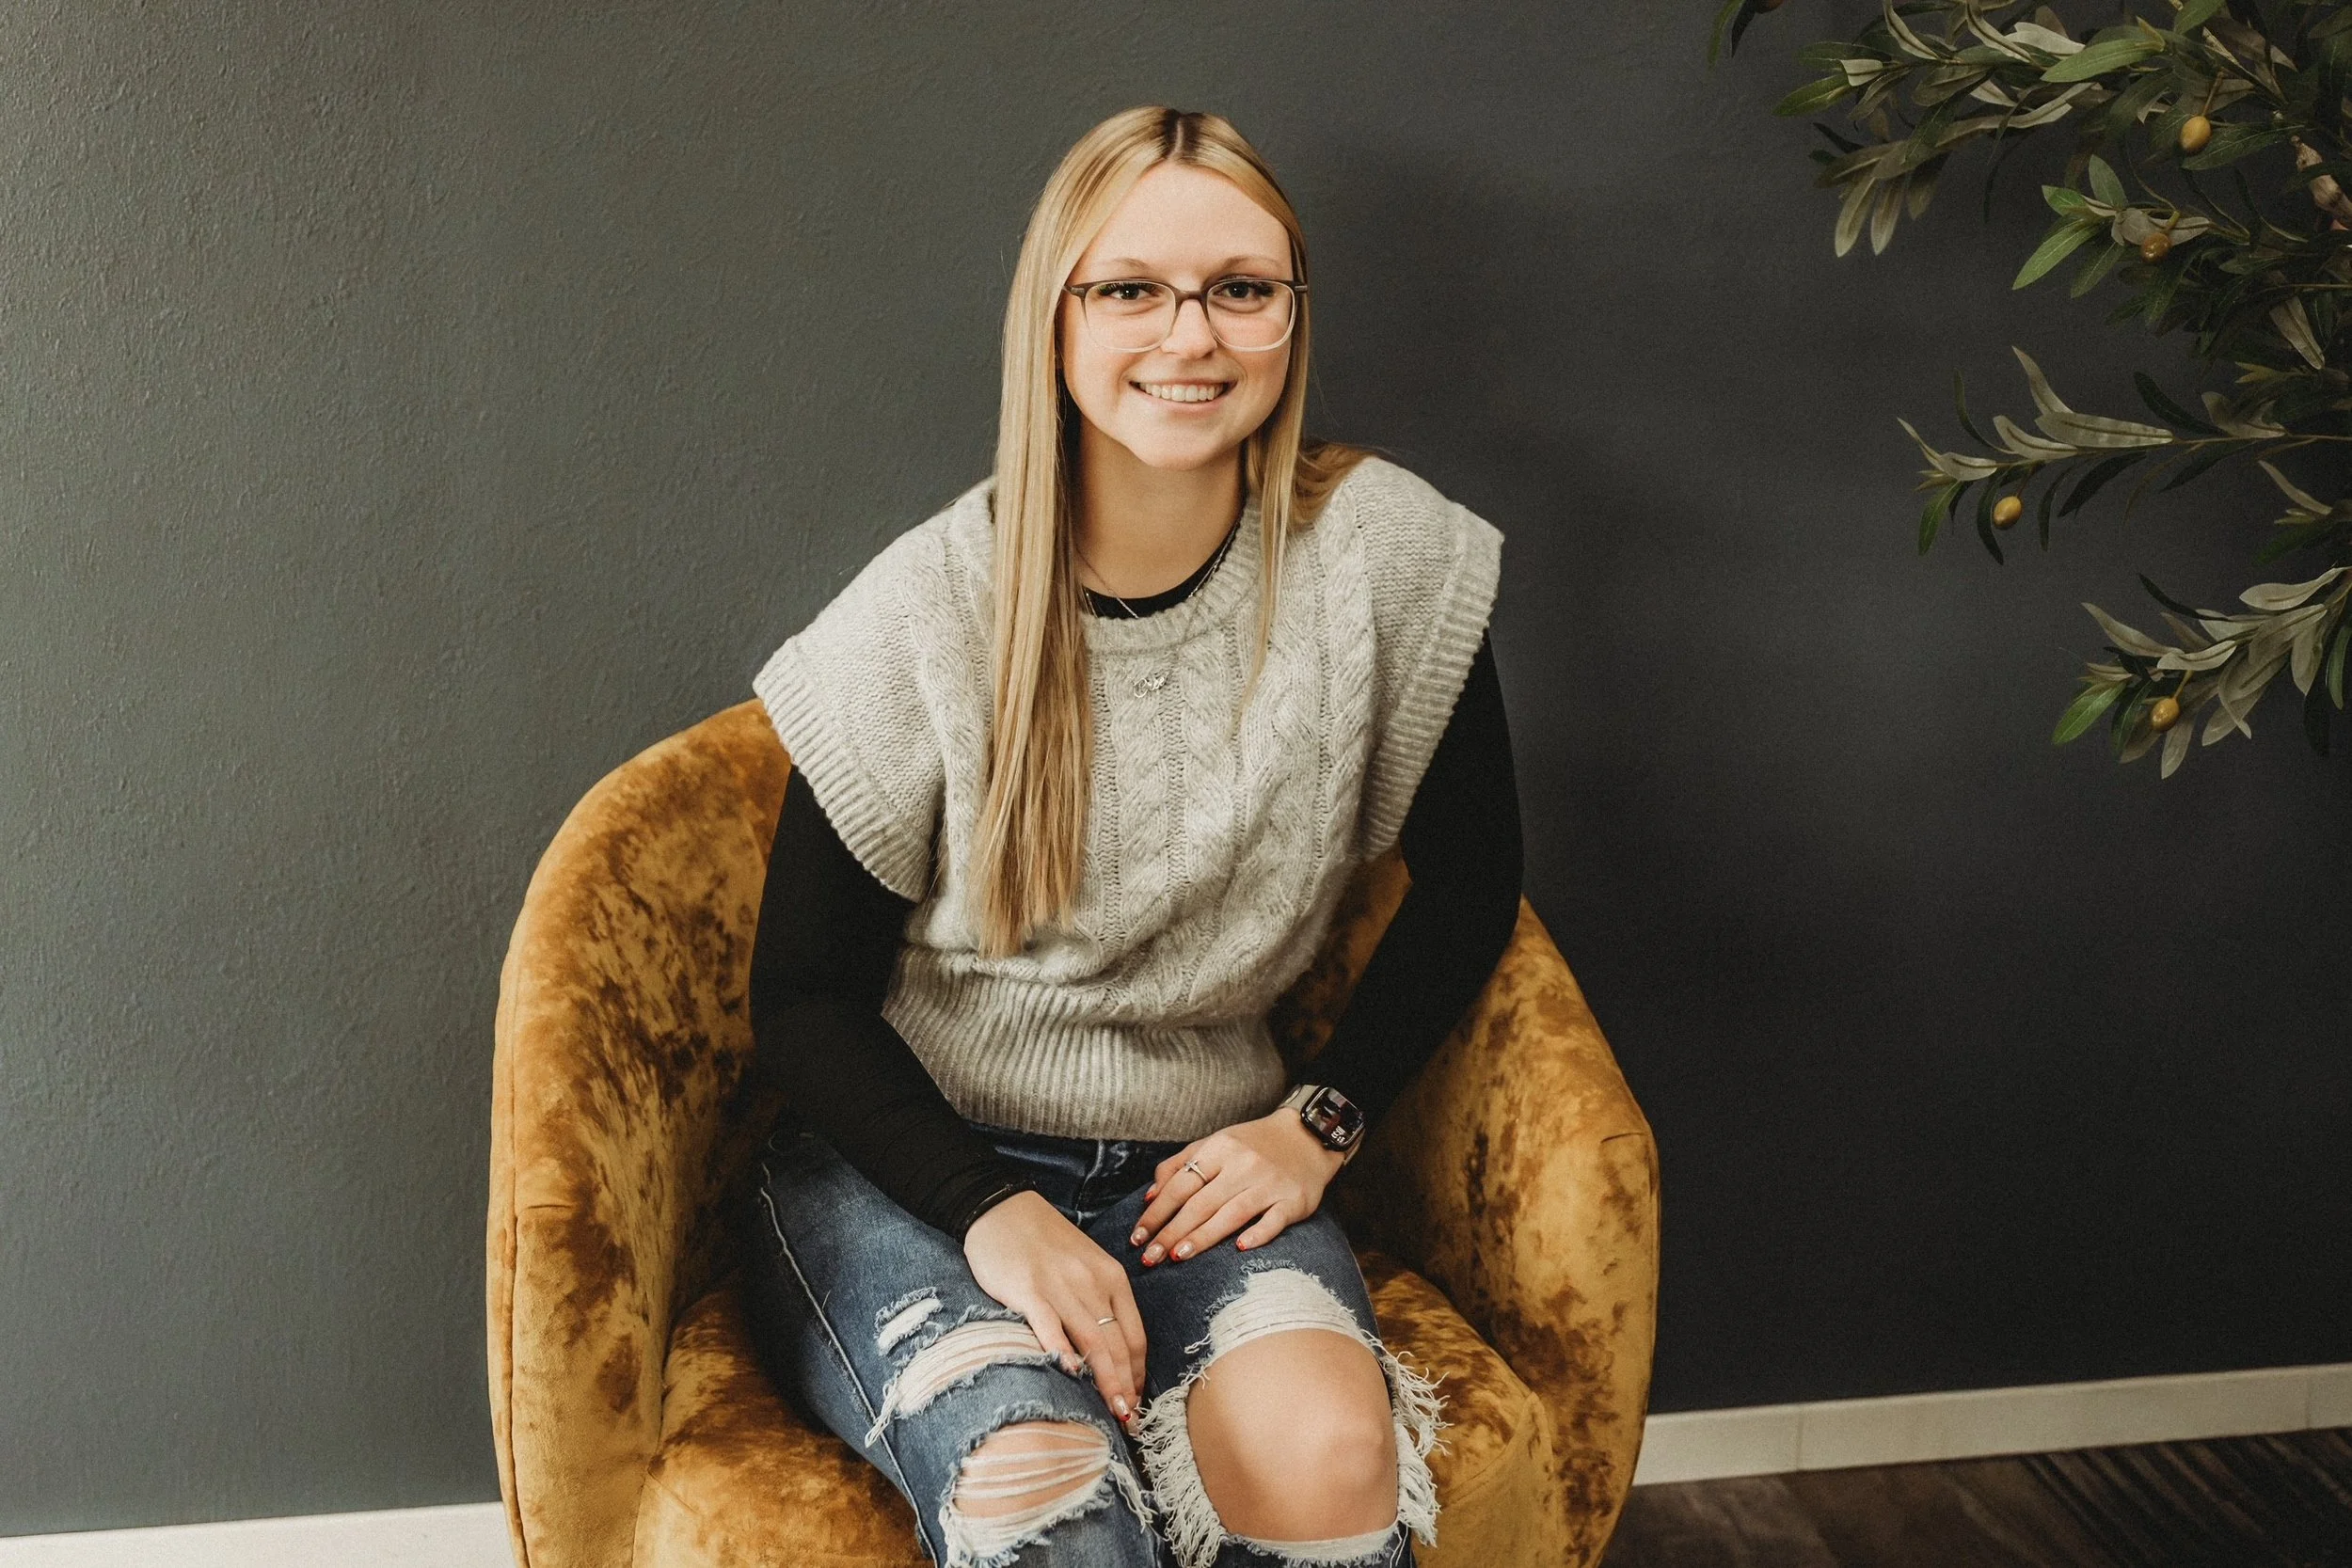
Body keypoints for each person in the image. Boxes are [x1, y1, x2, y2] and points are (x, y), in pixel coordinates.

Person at [731, 104, 1523, 1568]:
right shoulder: (926, 610)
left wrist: (1321, 1117)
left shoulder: (1383, 560)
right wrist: (993, 1214)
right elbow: (801, 999)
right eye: (1131, 288)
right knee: (1043, 1488)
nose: (1192, 334)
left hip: (1203, 1161)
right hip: (916, 1169)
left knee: (1332, 1458)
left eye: (1242, 287)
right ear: (1055, 316)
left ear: (1291, 318)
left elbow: (1481, 881)